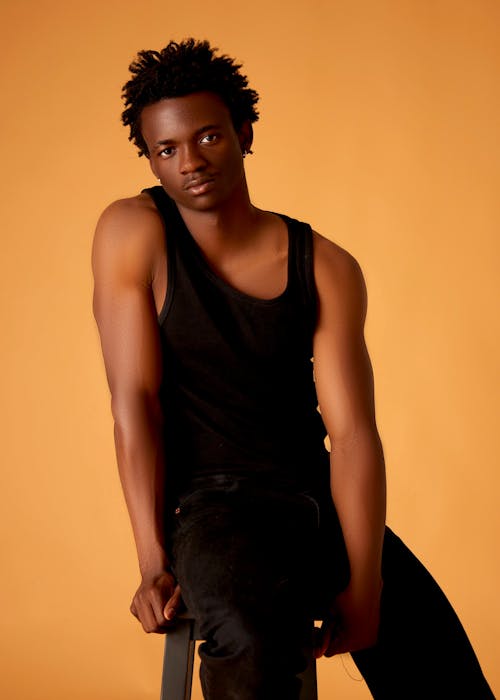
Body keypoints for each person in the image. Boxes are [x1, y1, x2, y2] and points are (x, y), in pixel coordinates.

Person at [91, 38, 494, 699]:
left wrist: (366, 587)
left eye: (209, 137)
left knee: (440, 662)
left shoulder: (328, 267)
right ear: (150, 159)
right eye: (166, 149)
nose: (190, 162)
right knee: (251, 636)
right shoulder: (133, 233)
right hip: (212, 508)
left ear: (244, 134)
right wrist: (151, 562)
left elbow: (354, 435)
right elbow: (134, 401)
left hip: (311, 501)